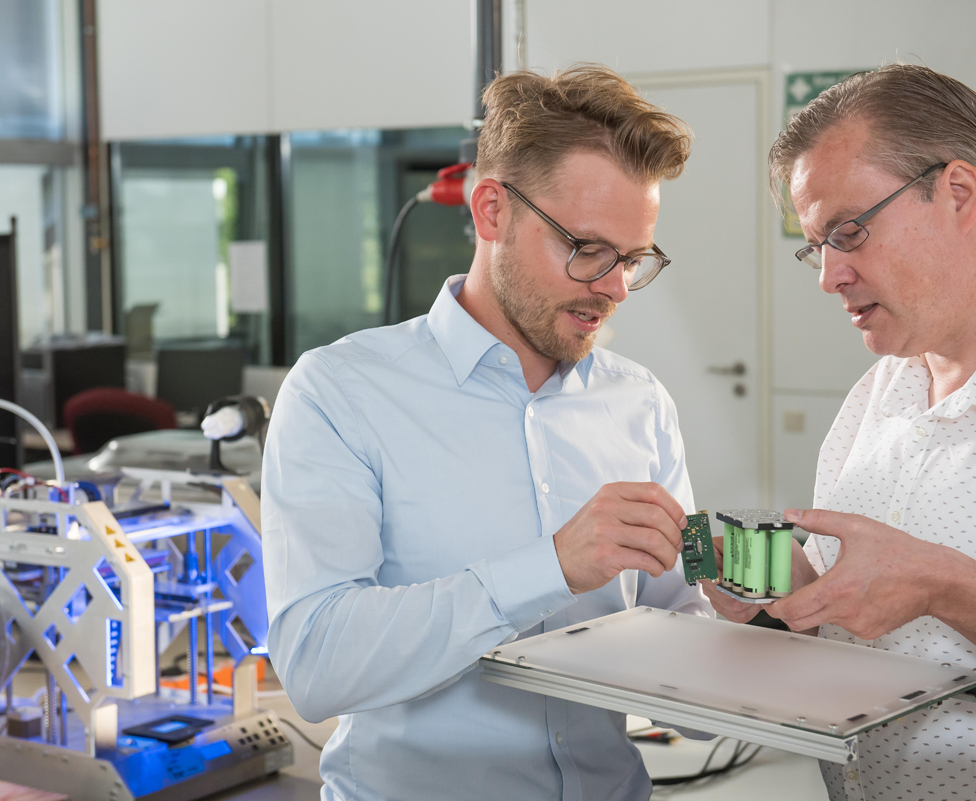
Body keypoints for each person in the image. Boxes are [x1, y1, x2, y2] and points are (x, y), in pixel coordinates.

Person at [261, 65, 713, 801]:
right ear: (491, 211)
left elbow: (675, 626)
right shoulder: (341, 391)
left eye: (633, 259)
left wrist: (764, 620)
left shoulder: (640, 402)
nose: (614, 287)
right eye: (588, 249)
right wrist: (551, 567)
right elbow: (317, 663)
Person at [705, 64, 976, 800]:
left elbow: (925, 583)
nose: (829, 275)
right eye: (817, 246)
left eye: (850, 231)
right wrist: (777, 588)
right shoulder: (876, 395)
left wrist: (948, 585)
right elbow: (844, 608)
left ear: (958, 192)